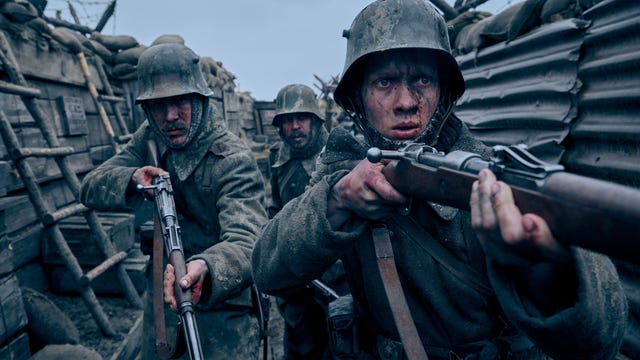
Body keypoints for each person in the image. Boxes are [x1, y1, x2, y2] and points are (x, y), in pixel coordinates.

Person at [251, 0, 627, 359]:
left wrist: (545, 271)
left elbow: (599, 342)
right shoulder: (342, 173)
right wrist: (336, 202)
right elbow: (269, 271)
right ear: (358, 100)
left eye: (422, 81)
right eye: (384, 83)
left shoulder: (485, 176)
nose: (406, 102)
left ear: (443, 93)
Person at [80, 43, 267, 359]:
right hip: (161, 306)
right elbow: (89, 187)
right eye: (158, 105)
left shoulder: (232, 159)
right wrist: (133, 178)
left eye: (180, 102)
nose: (170, 116)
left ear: (199, 99)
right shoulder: (150, 136)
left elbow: (249, 241)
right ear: (146, 110)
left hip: (218, 306)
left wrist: (206, 266)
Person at [267, 83, 349, 359]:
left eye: (300, 118)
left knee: (343, 343)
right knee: (301, 344)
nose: (294, 127)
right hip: (298, 276)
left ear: (315, 121)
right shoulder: (279, 161)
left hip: (339, 276)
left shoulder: (338, 154)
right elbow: (275, 209)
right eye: (287, 121)